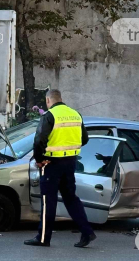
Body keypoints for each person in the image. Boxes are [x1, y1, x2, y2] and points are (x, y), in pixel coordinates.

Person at [24, 89, 96, 248]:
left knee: (48, 201)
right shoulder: (75, 114)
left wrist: (39, 159)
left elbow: (39, 140)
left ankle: (43, 238)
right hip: (70, 163)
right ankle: (87, 232)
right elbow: (84, 139)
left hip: (51, 164)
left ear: (48, 101)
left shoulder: (49, 116)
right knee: (71, 198)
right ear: (61, 99)